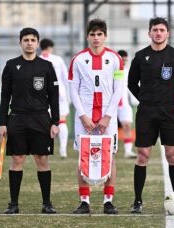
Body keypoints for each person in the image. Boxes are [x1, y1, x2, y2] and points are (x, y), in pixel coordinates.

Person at [128, 17, 174, 213]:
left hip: (169, 111)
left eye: (162, 30)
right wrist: (145, 100)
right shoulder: (140, 56)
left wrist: (172, 100)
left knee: (172, 155)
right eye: (155, 30)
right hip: (146, 111)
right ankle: (137, 201)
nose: (158, 33)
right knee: (143, 155)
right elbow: (131, 83)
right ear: (149, 33)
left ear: (167, 33)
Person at [0, 27, 59, 214]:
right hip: (17, 118)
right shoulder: (11, 65)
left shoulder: (46, 66)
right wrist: (2, 122)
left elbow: (54, 97)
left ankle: (47, 203)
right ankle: (14, 204)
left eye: (33, 40)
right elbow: (4, 96)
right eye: (26, 40)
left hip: (41, 118)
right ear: (20, 43)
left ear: (37, 43)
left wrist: (55, 122)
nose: (29, 43)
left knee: (42, 160)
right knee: (17, 159)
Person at [69, 19, 124, 214]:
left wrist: (108, 116)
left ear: (105, 36)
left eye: (99, 34)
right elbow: (73, 90)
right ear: (87, 36)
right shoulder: (78, 59)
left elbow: (119, 89)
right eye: (92, 34)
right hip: (84, 119)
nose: (96, 38)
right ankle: (84, 201)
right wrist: (83, 116)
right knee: (82, 156)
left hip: (107, 119)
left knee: (110, 156)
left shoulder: (116, 58)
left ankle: (108, 201)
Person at [39, 38, 70, 159]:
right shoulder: (57, 59)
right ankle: (63, 149)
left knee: (44, 122)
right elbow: (66, 78)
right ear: (51, 47)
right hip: (58, 93)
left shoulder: (37, 59)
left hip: (42, 95)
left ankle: (46, 148)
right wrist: (67, 95)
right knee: (62, 121)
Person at [117, 49, 137, 159]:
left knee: (127, 126)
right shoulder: (112, 70)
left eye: (125, 60)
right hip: (111, 104)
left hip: (124, 104)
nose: (123, 62)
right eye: (122, 60)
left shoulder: (128, 71)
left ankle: (128, 151)